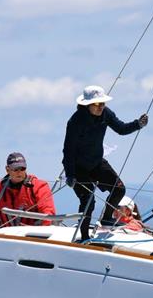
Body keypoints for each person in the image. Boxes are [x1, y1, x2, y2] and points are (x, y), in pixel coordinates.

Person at [62, 85, 148, 240]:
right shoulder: (75, 121)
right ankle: (84, 236)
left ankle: (106, 218)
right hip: (78, 167)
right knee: (88, 201)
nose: (101, 106)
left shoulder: (105, 114)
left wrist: (138, 124)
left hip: (96, 162)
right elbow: (68, 150)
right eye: (97, 104)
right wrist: (70, 174)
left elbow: (121, 129)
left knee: (119, 189)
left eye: (103, 103)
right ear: (87, 105)